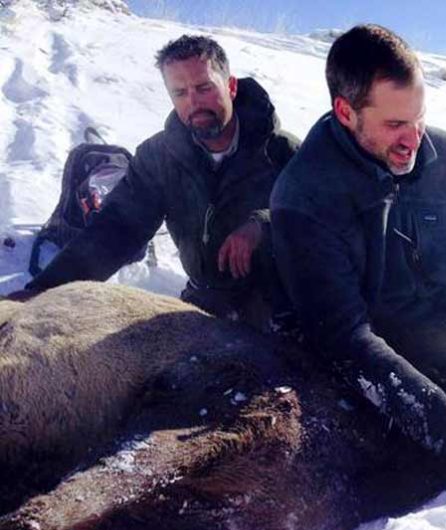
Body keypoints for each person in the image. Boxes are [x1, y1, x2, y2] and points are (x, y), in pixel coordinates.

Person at [270, 25, 446, 469]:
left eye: (419, 117)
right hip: (376, 334)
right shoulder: (304, 194)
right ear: (346, 112)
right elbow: (343, 338)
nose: (414, 138)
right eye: (395, 124)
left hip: (442, 303)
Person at [24, 35, 298, 326]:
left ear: (230, 87)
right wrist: (44, 291)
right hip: (208, 299)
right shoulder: (159, 158)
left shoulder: (282, 152)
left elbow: (324, 223)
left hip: (279, 303)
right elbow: (117, 229)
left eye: (204, 88)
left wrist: (262, 225)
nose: (194, 103)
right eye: (180, 93)